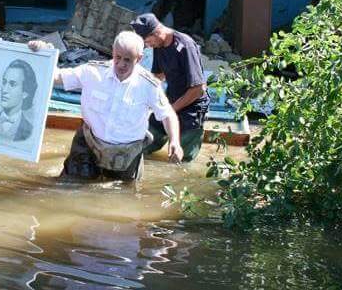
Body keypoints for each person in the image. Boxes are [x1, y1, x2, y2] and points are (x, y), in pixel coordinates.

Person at [31, 31, 183, 181]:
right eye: (118, 57)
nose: (121, 64)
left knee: (121, 195)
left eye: (128, 60)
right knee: (70, 185)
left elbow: (167, 114)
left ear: (139, 59)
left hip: (126, 152)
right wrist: (43, 54)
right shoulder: (92, 71)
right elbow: (56, 77)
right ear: (113, 52)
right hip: (89, 142)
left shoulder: (149, 85)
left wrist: (174, 141)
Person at [130, 13, 209, 163]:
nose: (148, 46)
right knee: (140, 146)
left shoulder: (185, 45)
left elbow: (199, 88)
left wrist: (171, 111)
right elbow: (157, 76)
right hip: (170, 100)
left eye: (148, 42)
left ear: (157, 32)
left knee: (180, 160)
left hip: (192, 108)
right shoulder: (158, 45)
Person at [0, 59, 37, 142]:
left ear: (25, 93)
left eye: (12, 84)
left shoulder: (31, 132)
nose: (5, 90)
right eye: (4, 82)